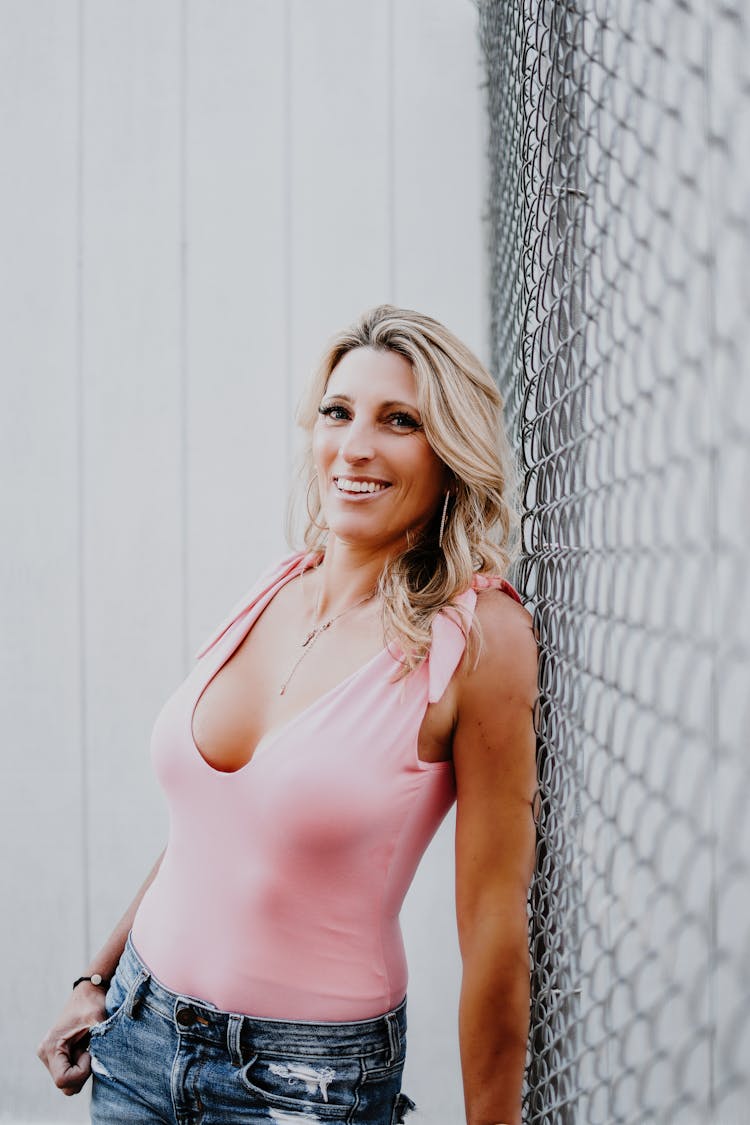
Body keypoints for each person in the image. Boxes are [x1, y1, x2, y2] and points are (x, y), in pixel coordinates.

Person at [38, 304, 538, 1125]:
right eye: (339, 412)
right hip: (135, 1036)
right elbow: (211, 830)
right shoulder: (277, 584)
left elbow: (493, 929)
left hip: (305, 1083)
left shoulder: (480, 637)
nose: (356, 446)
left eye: (400, 421)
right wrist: (95, 977)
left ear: (450, 454)